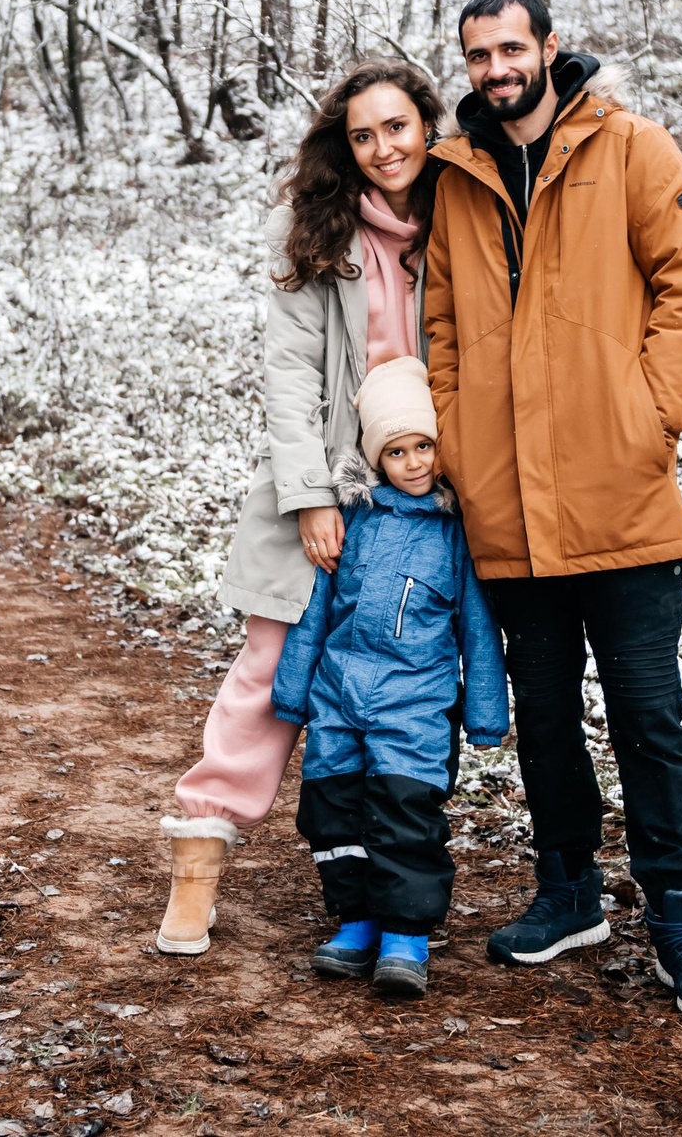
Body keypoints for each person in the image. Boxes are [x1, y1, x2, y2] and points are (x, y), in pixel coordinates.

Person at [420, 0, 682, 1019]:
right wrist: (460, 437)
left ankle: (679, 920)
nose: (494, 71)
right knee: (546, 717)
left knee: (647, 720)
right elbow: (440, 330)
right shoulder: (456, 176)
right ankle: (566, 892)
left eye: (510, 49)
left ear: (549, 49)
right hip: (509, 507)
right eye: (477, 56)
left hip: (624, 503)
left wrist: (646, 418)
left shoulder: (629, 147)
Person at [155, 62, 445, 955]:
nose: (383, 148)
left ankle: (392, 892)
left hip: (429, 494)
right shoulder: (316, 231)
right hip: (330, 485)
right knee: (272, 669)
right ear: (343, 147)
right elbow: (289, 378)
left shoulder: (463, 218)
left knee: (412, 678)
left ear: (428, 129)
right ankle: (197, 868)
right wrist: (312, 497)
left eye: (398, 128)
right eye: (364, 135)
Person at [269, 356, 507, 998]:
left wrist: (486, 710)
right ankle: (359, 922)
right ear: (376, 460)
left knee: (405, 814)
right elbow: (315, 613)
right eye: (396, 451)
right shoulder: (355, 521)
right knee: (332, 810)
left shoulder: (455, 533)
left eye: (423, 445)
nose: (413, 463)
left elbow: (478, 630)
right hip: (339, 697)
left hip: (415, 704)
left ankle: (405, 935)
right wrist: (293, 691)